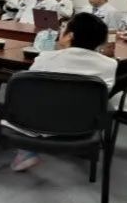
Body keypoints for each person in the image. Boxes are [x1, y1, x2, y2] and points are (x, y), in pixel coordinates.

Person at [9, 12, 117, 172]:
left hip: (39, 122)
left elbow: (31, 91)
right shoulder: (110, 64)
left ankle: (26, 149)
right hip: (85, 125)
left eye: (64, 27)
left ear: (69, 36)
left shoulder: (45, 58)